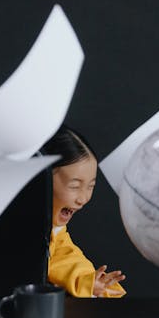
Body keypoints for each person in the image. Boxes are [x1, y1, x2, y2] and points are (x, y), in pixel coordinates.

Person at [40, 126, 127, 298]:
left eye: (90, 186)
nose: (83, 198)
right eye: (74, 186)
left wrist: (91, 282)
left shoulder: (55, 232)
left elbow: (66, 258)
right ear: (41, 179)